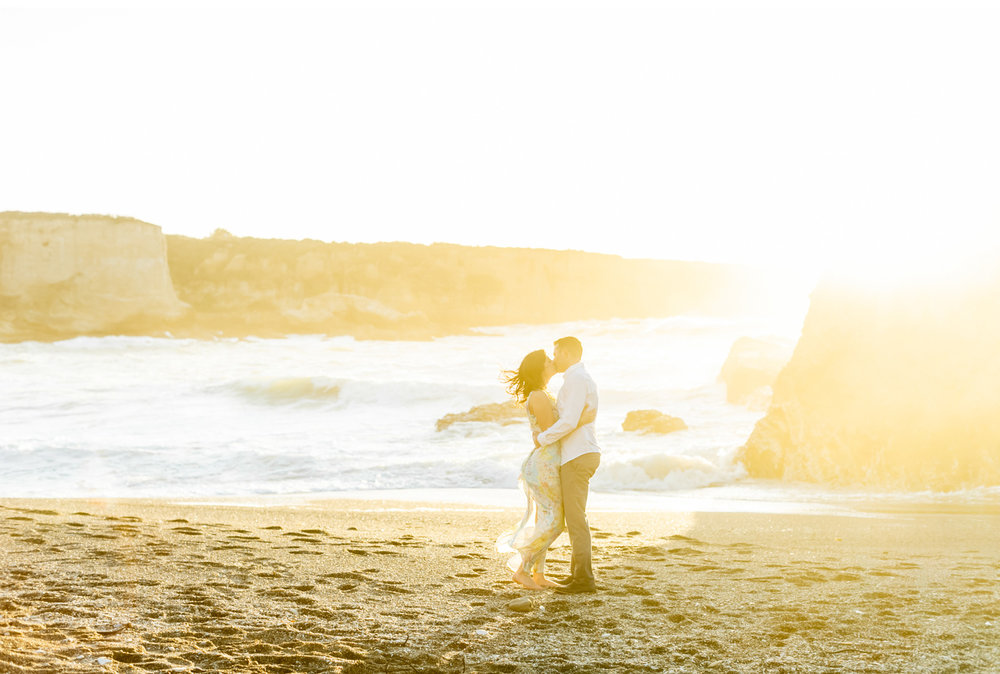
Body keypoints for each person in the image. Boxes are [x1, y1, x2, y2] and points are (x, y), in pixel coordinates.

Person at [496, 349, 595, 590]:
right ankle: (522, 570)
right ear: (541, 368)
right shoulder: (539, 396)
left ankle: (538, 575)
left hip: (548, 461)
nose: (553, 362)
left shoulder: (542, 393)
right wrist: (582, 420)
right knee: (554, 522)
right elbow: (552, 433)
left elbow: (546, 432)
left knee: (546, 518)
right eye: (548, 360)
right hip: (544, 464)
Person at [535, 336, 601, 594]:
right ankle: (579, 577)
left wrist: (541, 439)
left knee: (576, 520)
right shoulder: (579, 379)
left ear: (566, 352)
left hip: (577, 455)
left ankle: (584, 579)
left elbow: (569, 421)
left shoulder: (576, 380)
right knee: (576, 518)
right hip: (579, 453)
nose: (553, 359)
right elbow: (576, 418)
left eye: (556, 353)